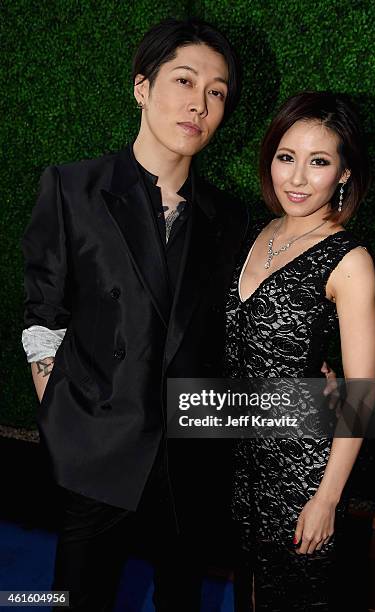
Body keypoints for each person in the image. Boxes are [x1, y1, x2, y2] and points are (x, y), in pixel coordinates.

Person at [21, 18, 247, 611]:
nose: (199, 103)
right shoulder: (73, 188)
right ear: (142, 88)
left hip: (191, 453)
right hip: (99, 444)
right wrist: (63, 413)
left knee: (182, 599)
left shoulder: (231, 220)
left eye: (217, 91)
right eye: (184, 80)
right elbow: (43, 307)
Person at [224, 91, 375, 611]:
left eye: (319, 162)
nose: (296, 178)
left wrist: (327, 499)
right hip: (240, 461)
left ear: (344, 175)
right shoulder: (254, 232)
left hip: (302, 475)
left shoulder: (349, 259)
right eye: (287, 157)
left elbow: (361, 393)